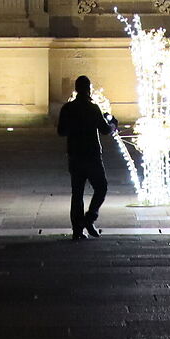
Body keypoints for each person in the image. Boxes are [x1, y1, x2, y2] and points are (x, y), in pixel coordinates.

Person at [56, 74, 114, 239]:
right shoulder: (93, 108)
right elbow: (105, 130)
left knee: (77, 193)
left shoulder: (67, 108)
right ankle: (89, 218)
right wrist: (112, 125)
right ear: (89, 89)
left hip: (75, 155)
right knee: (101, 187)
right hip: (92, 155)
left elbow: (61, 131)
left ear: (76, 89)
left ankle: (77, 230)